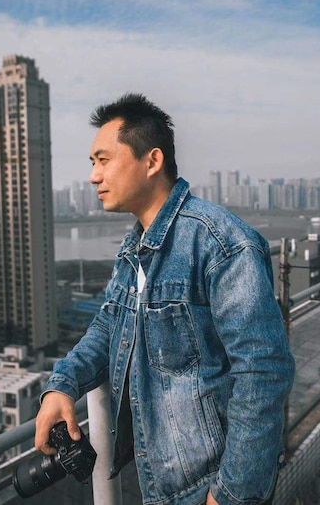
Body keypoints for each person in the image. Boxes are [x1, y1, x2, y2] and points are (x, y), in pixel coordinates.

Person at [36, 93, 295, 505]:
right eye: (92, 163)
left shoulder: (221, 243)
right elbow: (109, 327)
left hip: (210, 488)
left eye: (103, 160)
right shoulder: (134, 248)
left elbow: (263, 373)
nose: (92, 176)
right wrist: (61, 386)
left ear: (152, 161)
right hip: (160, 485)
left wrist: (230, 495)